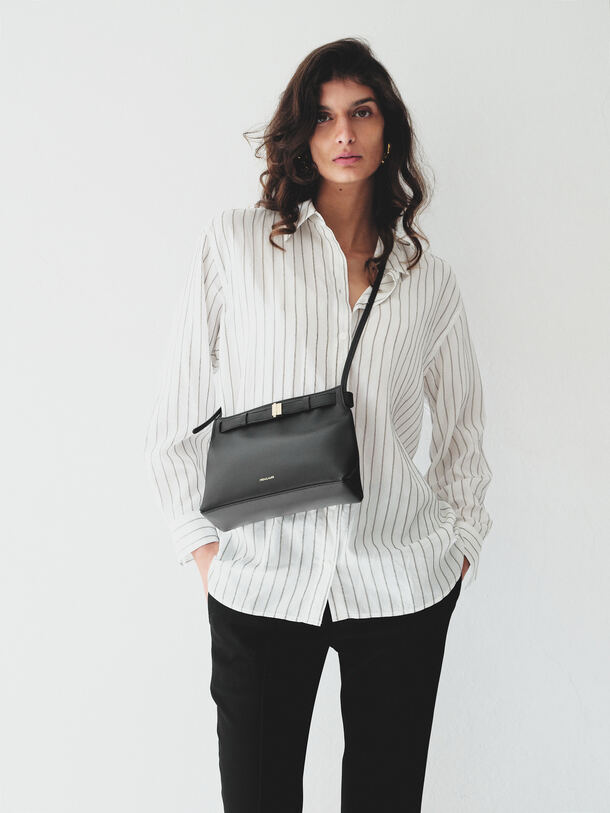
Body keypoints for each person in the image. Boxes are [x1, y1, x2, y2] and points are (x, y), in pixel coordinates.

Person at [144, 37, 493, 813]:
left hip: (398, 580)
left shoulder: (427, 281)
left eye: (361, 113)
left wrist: (459, 547)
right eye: (325, 116)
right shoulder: (237, 244)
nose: (344, 133)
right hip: (261, 579)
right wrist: (206, 554)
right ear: (301, 134)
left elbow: (463, 435)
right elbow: (173, 422)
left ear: (387, 130)